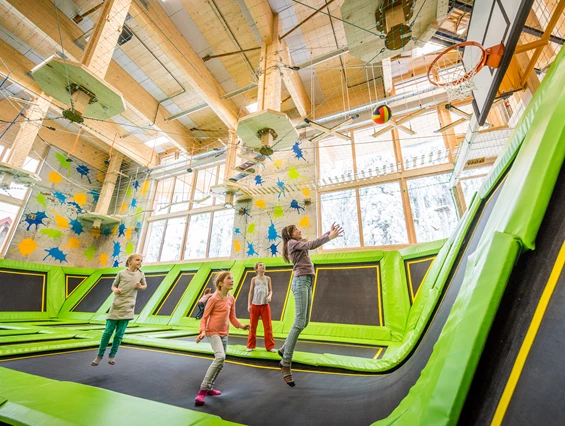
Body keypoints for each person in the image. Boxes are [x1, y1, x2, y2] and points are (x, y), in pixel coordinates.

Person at [278, 223, 343, 386]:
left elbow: (312, 242)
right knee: (299, 322)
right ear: (290, 234)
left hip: (306, 281)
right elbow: (311, 244)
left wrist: (329, 232)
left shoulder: (296, 244)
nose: (300, 230)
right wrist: (329, 237)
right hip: (300, 282)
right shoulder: (292, 243)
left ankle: (284, 348)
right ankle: (285, 363)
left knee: (304, 322)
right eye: (296, 229)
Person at [194, 271, 250, 406]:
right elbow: (204, 317)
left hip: (224, 332)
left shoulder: (231, 298)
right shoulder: (213, 298)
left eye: (232, 278)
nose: (232, 280)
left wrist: (241, 326)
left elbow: (232, 317)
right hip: (211, 331)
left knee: (221, 363)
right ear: (220, 283)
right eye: (228, 279)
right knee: (220, 357)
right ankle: (202, 391)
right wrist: (202, 331)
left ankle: (210, 388)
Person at [91, 253, 147, 366]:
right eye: (137, 260)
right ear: (129, 261)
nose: (140, 262)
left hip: (128, 307)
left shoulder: (140, 274)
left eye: (141, 260)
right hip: (117, 306)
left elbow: (144, 286)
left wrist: (140, 287)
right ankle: (99, 355)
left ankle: (112, 356)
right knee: (107, 333)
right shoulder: (121, 273)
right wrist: (115, 290)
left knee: (119, 334)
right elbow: (113, 285)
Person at [246, 262, 275, 353]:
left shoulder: (268, 278)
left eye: (263, 265)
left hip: (265, 305)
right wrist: (249, 304)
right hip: (255, 305)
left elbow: (270, 291)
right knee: (253, 326)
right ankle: (251, 345)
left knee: (268, 326)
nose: (263, 266)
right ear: (257, 269)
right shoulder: (254, 279)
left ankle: (270, 346)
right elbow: (250, 292)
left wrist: (270, 296)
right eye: (260, 265)